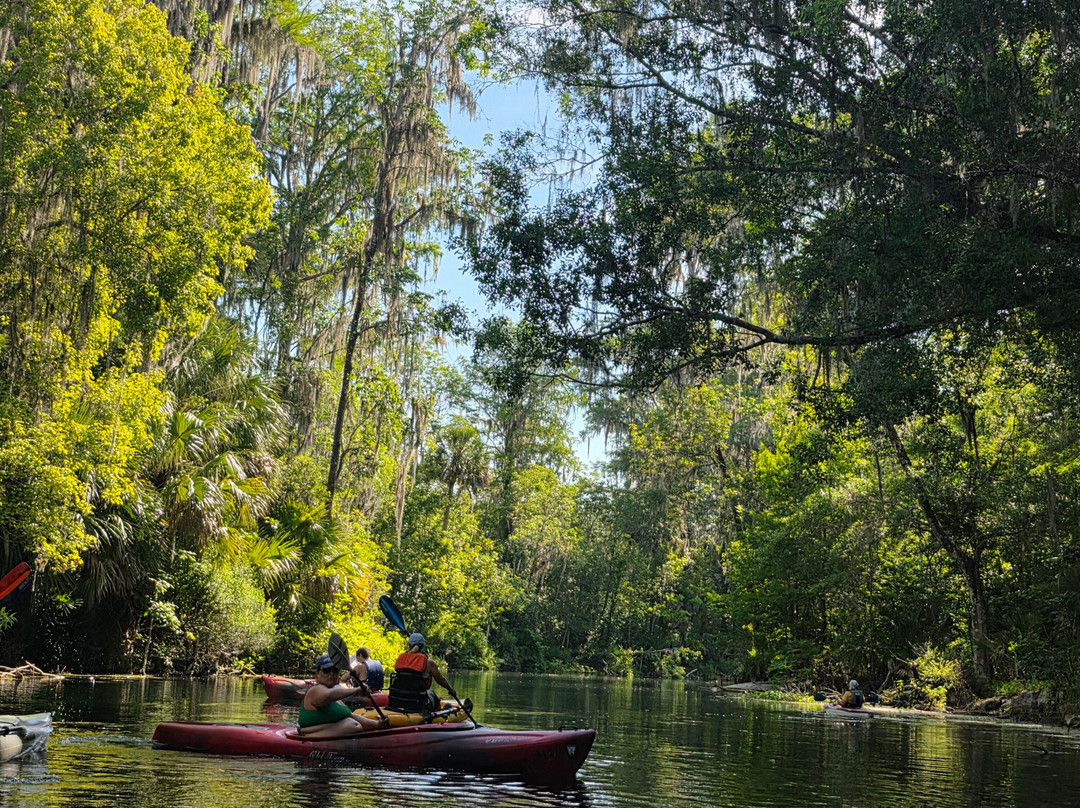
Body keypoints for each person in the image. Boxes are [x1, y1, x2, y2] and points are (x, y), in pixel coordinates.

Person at [298, 654, 389, 737]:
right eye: (326, 670)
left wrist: (377, 724)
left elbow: (350, 716)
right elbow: (327, 695)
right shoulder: (316, 690)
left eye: (335, 670)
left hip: (335, 736)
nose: (332, 673)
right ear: (317, 673)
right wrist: (356, 690)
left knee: (351, 722)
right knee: (350, 724)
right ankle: (308, 734)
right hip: (312, 739)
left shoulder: (337, 697)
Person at [388, 632, 458, 713]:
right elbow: (441, 680)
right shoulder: (429, 663)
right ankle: (442, 713)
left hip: (398, 700)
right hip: (418, 703)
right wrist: (450, 689)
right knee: (431, 693)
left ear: (409, 645)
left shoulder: (402, 659)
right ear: (422, 646)